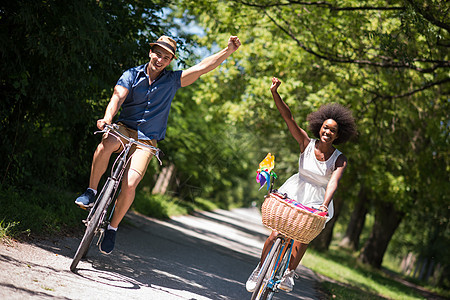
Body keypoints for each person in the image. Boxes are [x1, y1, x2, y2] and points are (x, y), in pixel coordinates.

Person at [75, 35, 241, 254]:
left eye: (166, 57)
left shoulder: (172, 80)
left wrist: (228, 51)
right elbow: (117, 97)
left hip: (147, 140)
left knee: (131, 183)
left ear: (171, 60)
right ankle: (91, 191)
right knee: (106, 143)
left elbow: (201, 67)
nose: (160, 59)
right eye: (158, 54)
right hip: (125, 128)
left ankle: (113, 228)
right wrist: (107, 119)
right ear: (150, 52)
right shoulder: (132, 74)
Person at [246, 77, 357, 293]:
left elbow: (333, 182)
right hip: (295, 189)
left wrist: (324, 205)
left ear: (338, 135)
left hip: (318, 198)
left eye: (333, 130)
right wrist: (275, 92)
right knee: (276, 233)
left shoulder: (340, 159)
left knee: (304, 234)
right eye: (325, 128)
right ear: (320, 127)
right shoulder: (306, 143)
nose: (328, 132)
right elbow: (288, 118)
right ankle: (259, 270)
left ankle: (288, 273)